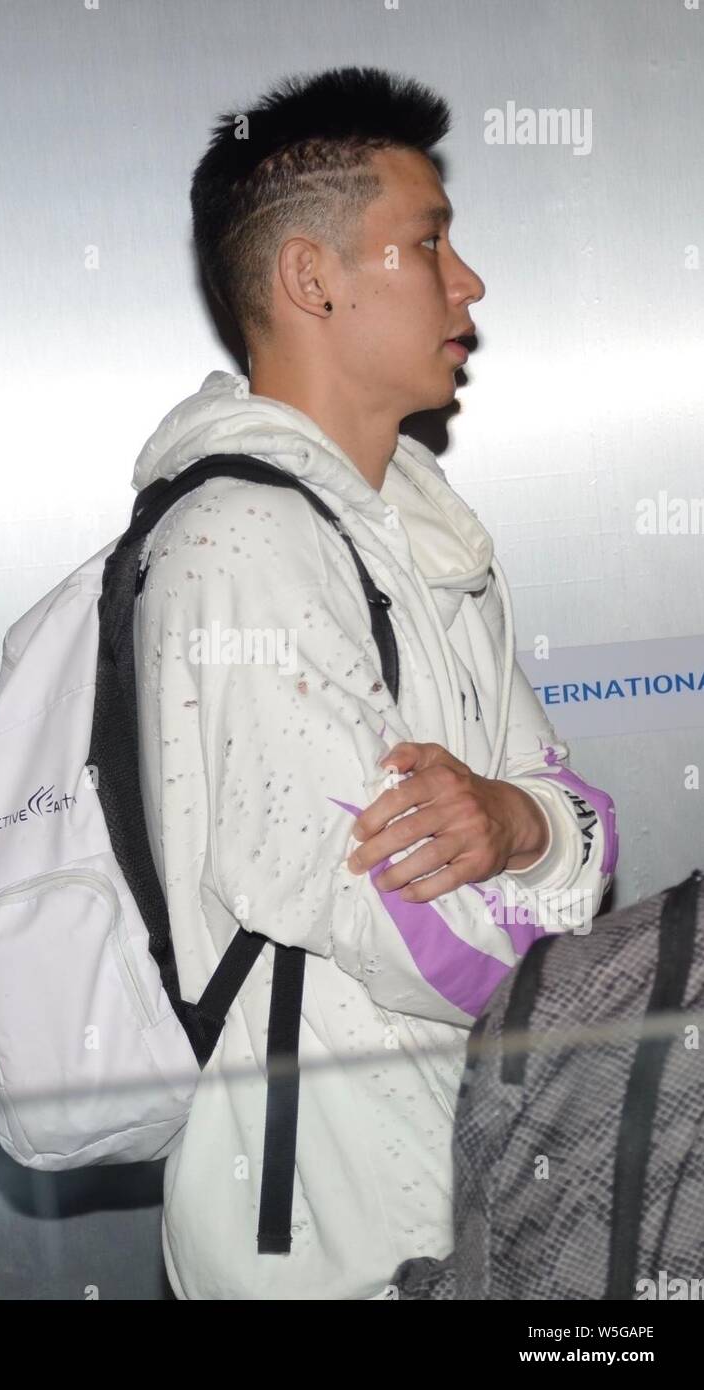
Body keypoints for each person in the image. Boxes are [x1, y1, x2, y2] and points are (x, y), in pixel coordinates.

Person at [131, 65, 618, 1301]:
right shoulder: (236, 547)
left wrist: (513, 824)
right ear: (312, 279)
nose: (467, 284)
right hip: (325, 1255)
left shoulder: (425, 527)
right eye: (429, 243)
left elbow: (572, 820)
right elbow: (436, 941)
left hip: (471, 1213)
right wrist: (538, 849)